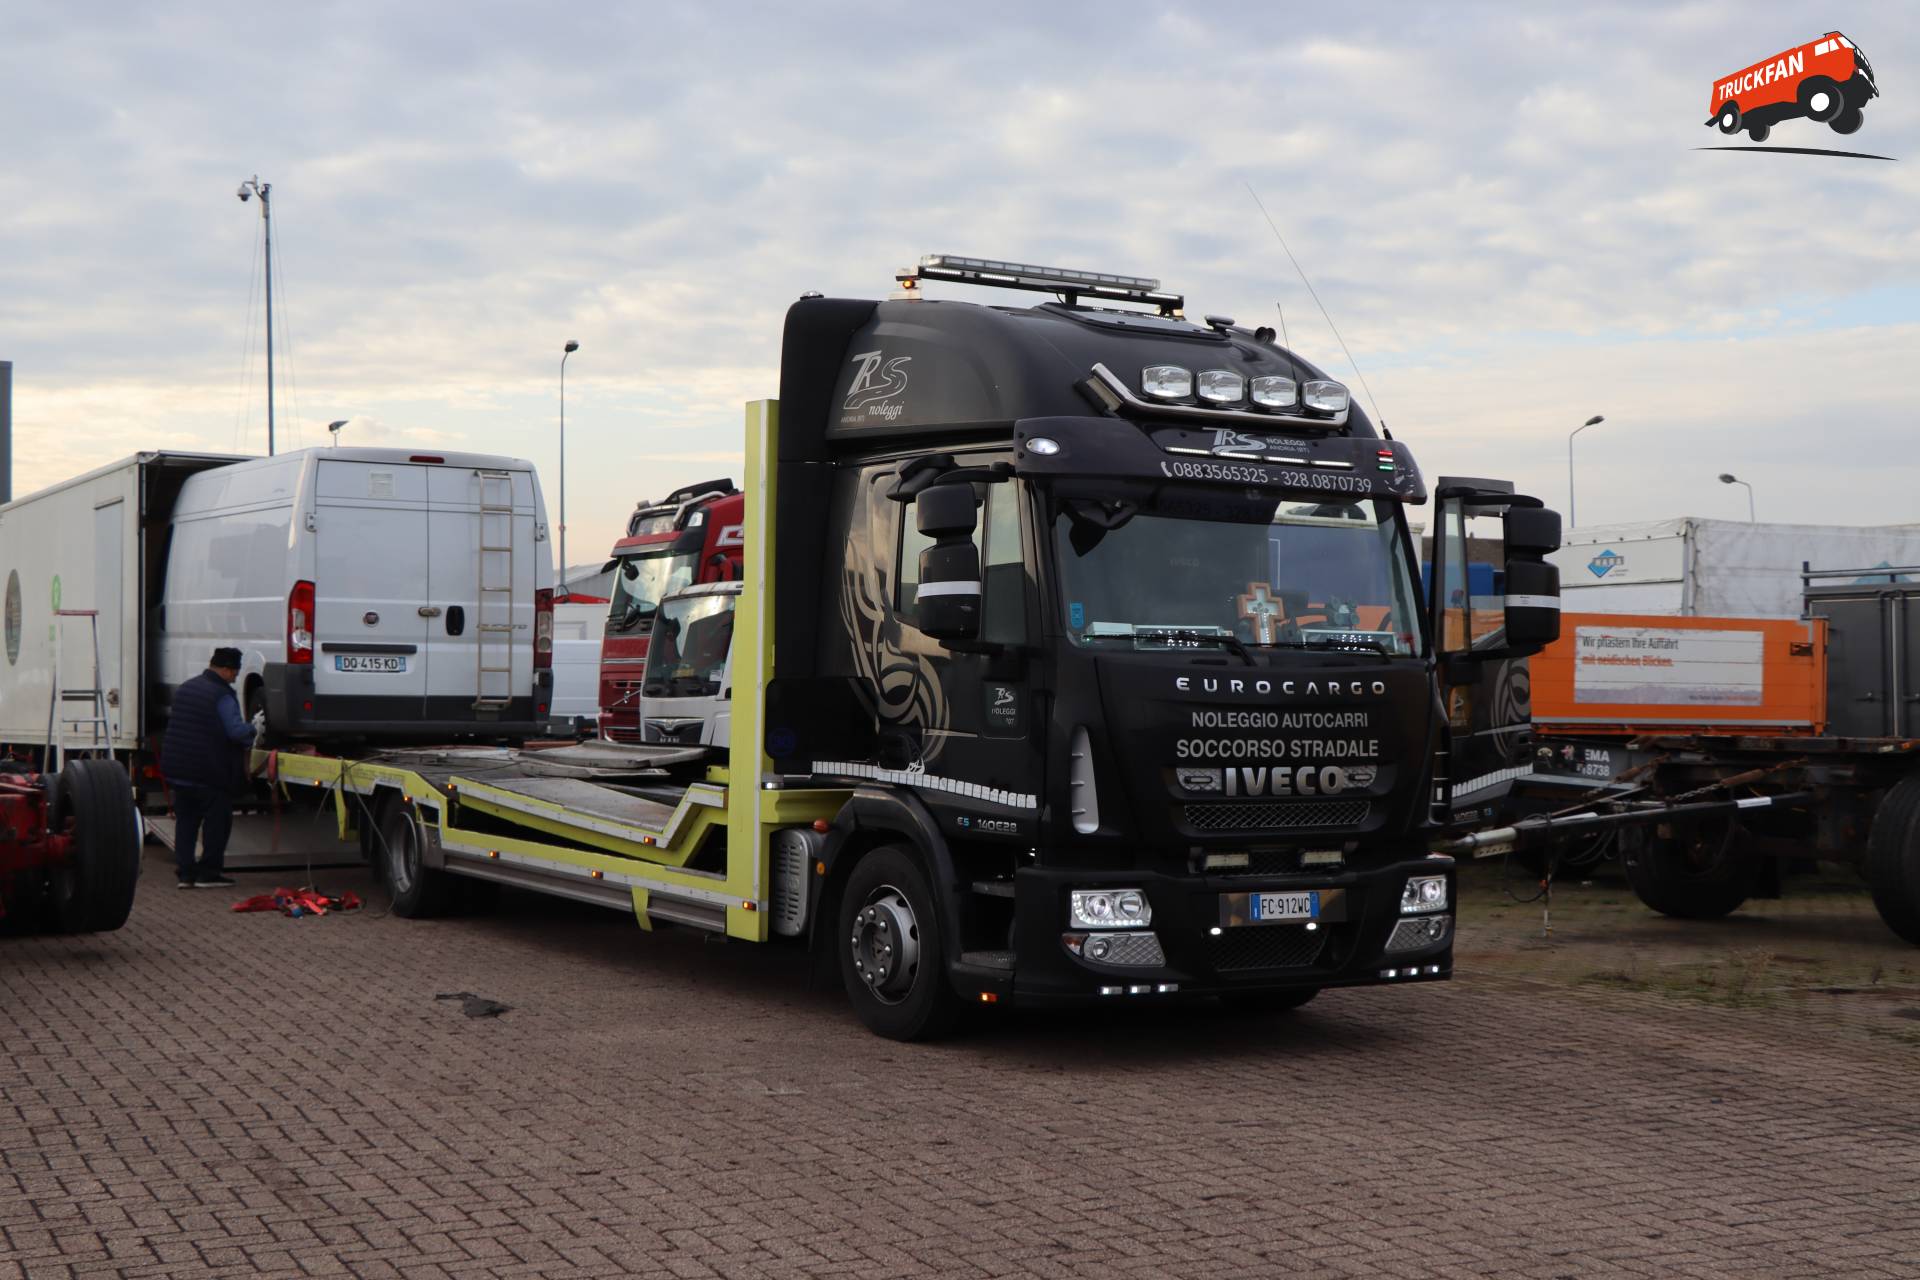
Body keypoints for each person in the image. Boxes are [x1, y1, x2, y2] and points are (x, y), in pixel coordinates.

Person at [161, 646, 257, 888]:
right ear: (225, 670)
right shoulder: (222, 695)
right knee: (217, 823)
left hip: (179, 770)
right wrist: (254, 729)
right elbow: (235, 732)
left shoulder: (187, 687)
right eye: (234, 672)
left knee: (186, 823)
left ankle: (185, 873)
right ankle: (209, 873)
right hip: (208, 772)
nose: (235, 677)